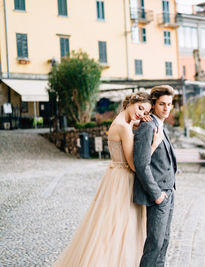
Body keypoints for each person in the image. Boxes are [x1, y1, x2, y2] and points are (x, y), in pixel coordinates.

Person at [53, 91, 164, 267]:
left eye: (145, 112)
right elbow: (135, 165)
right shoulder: (124, 128)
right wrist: (154, 144)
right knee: (120, 227)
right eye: (140, 107)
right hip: (124, 179)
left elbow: (131, 127)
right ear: (131, 102)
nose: (141, 114)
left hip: (115, 176)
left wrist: (138, 121)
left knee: (111, 225)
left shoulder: (122, 122)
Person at [133, 85, 177, 267]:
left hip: (169, 192)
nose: (166, 108)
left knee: (164, 242)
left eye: (169, 104)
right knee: (154, 244)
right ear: (154, 104)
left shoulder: (160, 124)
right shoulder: (148, 127)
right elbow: (142, 164)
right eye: (162, 104)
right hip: (158, 195)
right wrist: (157, 195)